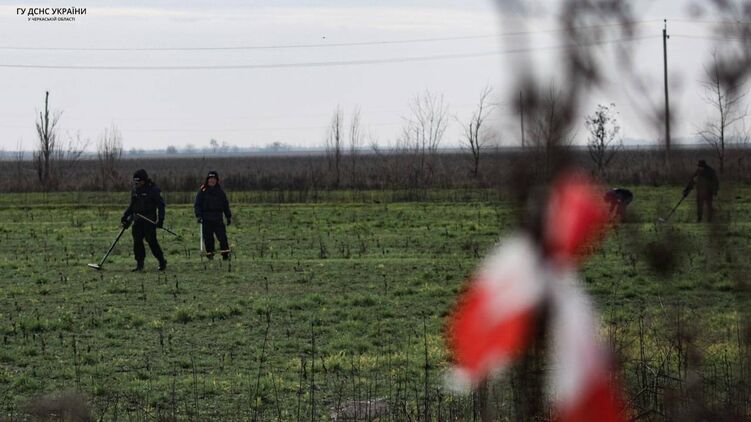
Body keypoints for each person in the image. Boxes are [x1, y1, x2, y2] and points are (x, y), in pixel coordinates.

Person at [121, 169, 167, 271]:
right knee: (137, 242)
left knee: (151, 241)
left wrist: (161, 219)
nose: (136, 183)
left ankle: (161, 261)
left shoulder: (153, 190)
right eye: (135, 181)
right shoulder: (135, 190)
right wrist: (125, 216)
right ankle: (139, 264)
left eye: (139, 181)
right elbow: (132, 206)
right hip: (137, 219)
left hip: (149, 220)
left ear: (144, 180)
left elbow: (161, 205)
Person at [194, 170, 232, 260]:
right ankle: (210, 255)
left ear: (217, 180)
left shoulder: (220, 192)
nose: (212, 181)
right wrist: (198, 215)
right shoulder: (202, 191)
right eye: (210, 179)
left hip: (218, 218)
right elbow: (197, 204)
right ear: (207, 180)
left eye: (214, 179)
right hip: (206, 219)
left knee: (222, 237)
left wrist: (228, 216)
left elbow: (225, 205)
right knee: (208, 239)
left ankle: (225, 255)